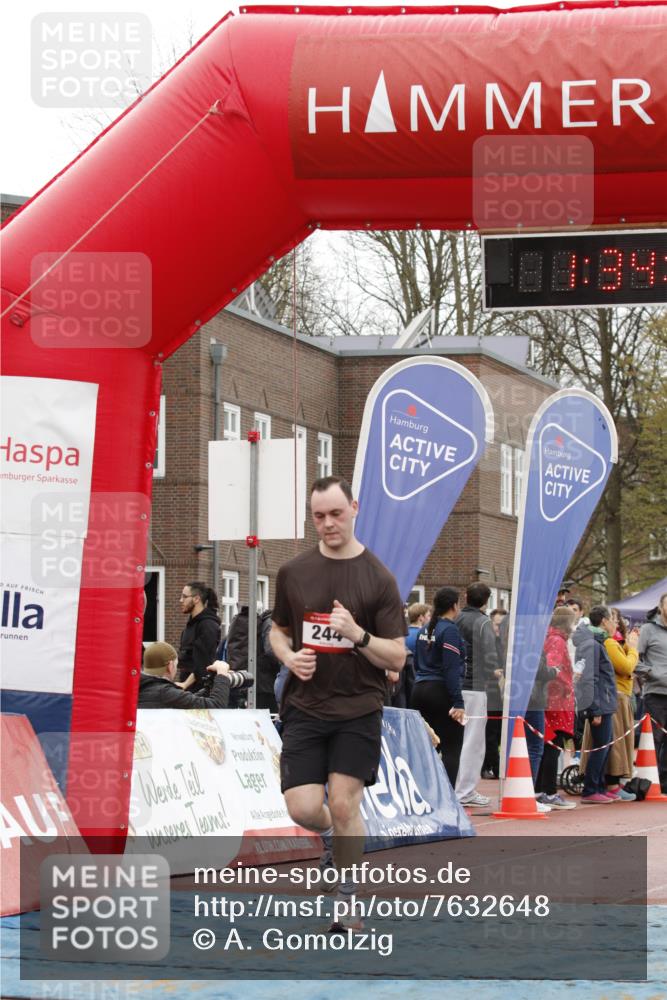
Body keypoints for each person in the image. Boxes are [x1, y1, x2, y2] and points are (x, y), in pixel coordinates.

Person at [269, 476, 406, 930]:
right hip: (305, 706)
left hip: (358, 707)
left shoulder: (378, 578)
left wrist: (358, 635)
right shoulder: (294, 572)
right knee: (303, 808)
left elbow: (397, 655)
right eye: (319, 516)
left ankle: (347, 905)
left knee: (346, 804)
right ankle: (330, 839)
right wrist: (290, 658)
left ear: (354, 508)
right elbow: (279, 631)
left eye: (336, 514)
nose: (328, 524)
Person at [410, 587, 466, 788]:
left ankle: (422, 791)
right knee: (452, 747)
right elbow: (451, 668)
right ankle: (448, 797)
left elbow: (417, 661)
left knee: (426, 746)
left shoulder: (424, 629)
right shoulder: (449, 630)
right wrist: (458, 702)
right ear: (454, 606)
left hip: (420, 688)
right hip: (439, 690)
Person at [454, 583, 501, 807]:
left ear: (466, 596)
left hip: (455, 685)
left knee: (455, 740)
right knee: (473, 741)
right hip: (474, 686)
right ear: (486, 601)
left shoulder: (455, 619)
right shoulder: (483, 622)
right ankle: (465, 791)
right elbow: (490, 655)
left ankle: (455, 788)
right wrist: (497, 675)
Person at [535, 606, 577, 809]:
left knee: (549, 746)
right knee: (552, 746)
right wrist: (567, 686)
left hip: (554, 700)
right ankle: (549, 791)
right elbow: (553, 669)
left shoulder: (552, 638)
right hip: (556, 702)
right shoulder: (557, 641)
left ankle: (542, 789)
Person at [576, 606, 619, 803]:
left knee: (606, 745)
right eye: (613, 619)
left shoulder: (598, 643)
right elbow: (589, 678)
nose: (615, 624)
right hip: (599, 704)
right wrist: (596, 709)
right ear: (603, 621)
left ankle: (599, 786)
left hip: (605, 701)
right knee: (600, 747)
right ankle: (590, 789)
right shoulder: (591, 644)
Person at [138, 641, 232, 708]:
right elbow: (216, 706)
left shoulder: (141, 687)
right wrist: (222, 675)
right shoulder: (165, 693)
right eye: (176, 664)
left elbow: (189, 700)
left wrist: (209, 687)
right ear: (170, 666)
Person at [636, 592, 667, 794]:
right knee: (655, 738)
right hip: (655, 693)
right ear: (661, 607)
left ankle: (664, 780)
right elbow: (636, 662)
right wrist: (653, 674)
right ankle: (650, 782)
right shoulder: (648, 630)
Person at [177, 582, 222, 689]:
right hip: (188, 687)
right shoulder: (192, 624)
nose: (181, 600)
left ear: (196, 599)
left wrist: (185, 684)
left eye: (184, 597)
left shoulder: (208, 626)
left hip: (199, 689)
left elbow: (203, 662)